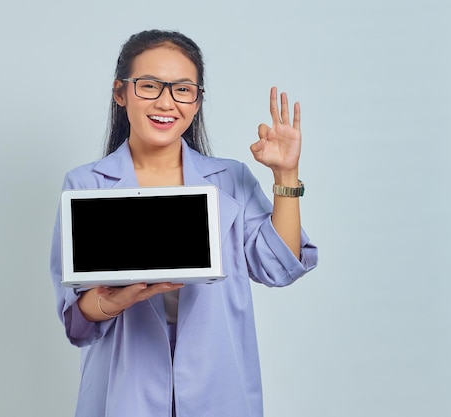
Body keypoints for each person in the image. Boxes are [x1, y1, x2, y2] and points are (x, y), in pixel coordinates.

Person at [49, 29, 318, 417]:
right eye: (149, 86)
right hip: (126, 393)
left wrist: (286, 176)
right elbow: (76, 321)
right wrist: (110, 302)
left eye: (182, 90)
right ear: (120, 92)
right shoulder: (86, 185)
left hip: (219, 389)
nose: (166, 102)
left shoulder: (230, 179)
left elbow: (278, 266)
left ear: (196, 102)